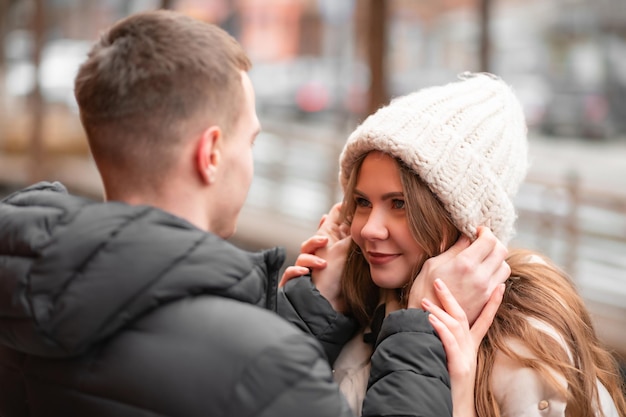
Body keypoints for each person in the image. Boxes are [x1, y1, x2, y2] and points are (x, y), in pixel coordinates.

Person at [0, 10, 507, 417]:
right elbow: (240, 370)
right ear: (212, 153)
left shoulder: (20, 296)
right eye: (252, 140)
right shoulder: (265, 367)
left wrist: (311, 312)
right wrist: (420, 333)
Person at [281, 72, 626, 417]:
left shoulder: (526, 346)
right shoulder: (357, 312)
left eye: (400, 205)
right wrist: (308, 313)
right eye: (362, 202)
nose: (370, 229)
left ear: (464, 224)